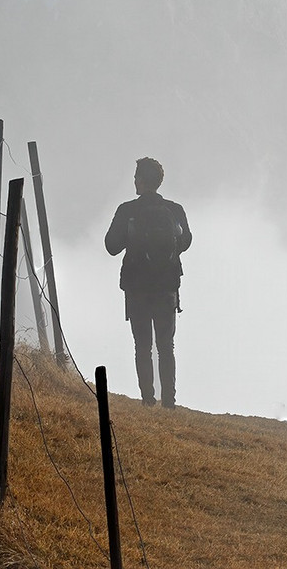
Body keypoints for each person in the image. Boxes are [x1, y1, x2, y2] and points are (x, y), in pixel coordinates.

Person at [104, 157, 191, 408]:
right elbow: (186, 241)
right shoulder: (175, 210)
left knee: (142, 345)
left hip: (137, 288)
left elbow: (111, 247)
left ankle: (147, 400)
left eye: (135, 177)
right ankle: (170, 402)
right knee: (166, 345)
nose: (134, 181)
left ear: (141, 181)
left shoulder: (126, 210)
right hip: (166, 286)